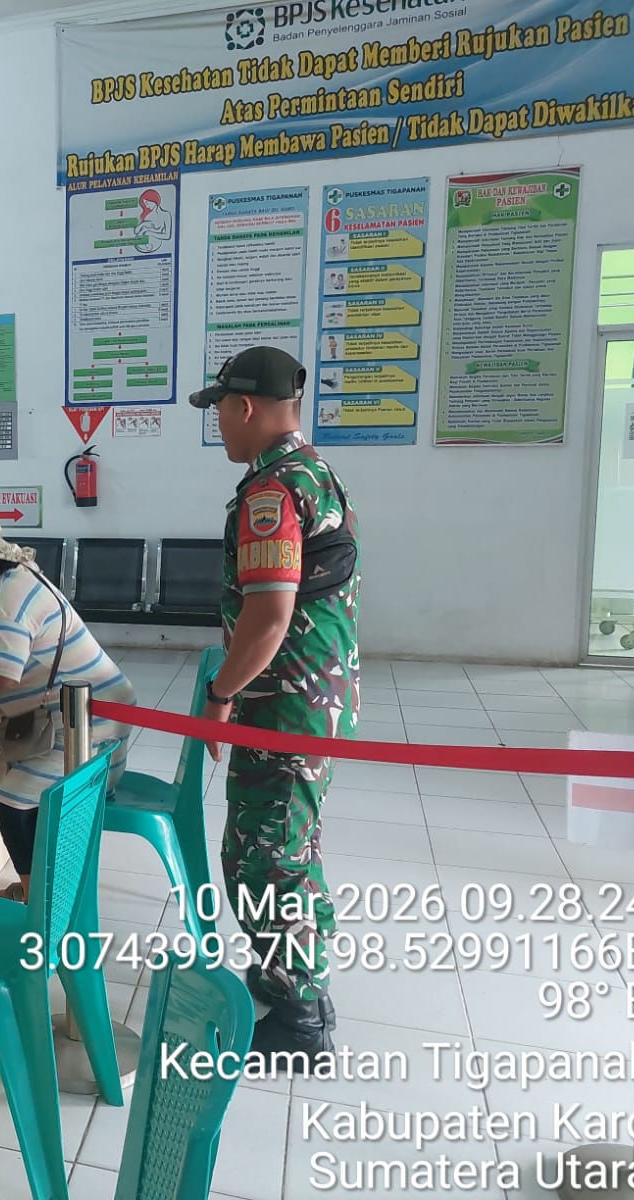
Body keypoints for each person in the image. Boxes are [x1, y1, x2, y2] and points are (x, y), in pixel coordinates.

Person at [188, 345, 360, 1071]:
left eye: (221, 410)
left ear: (246, 406)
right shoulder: (315, 473)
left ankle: (301, 1018)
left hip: (285, 707)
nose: (220, 423)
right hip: (313, 699)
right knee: (287, 848)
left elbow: (268, 617)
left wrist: (220, 695)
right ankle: (286, 979)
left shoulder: (272, 491)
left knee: (267, 859)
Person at [0, 513, 135, 903]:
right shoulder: (16, 578)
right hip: (91, 719)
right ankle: (41, 886)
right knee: (5, 776)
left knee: (13, 802)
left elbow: (0, 676)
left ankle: (40, 903)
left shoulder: (5, 601)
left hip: (88, 731)